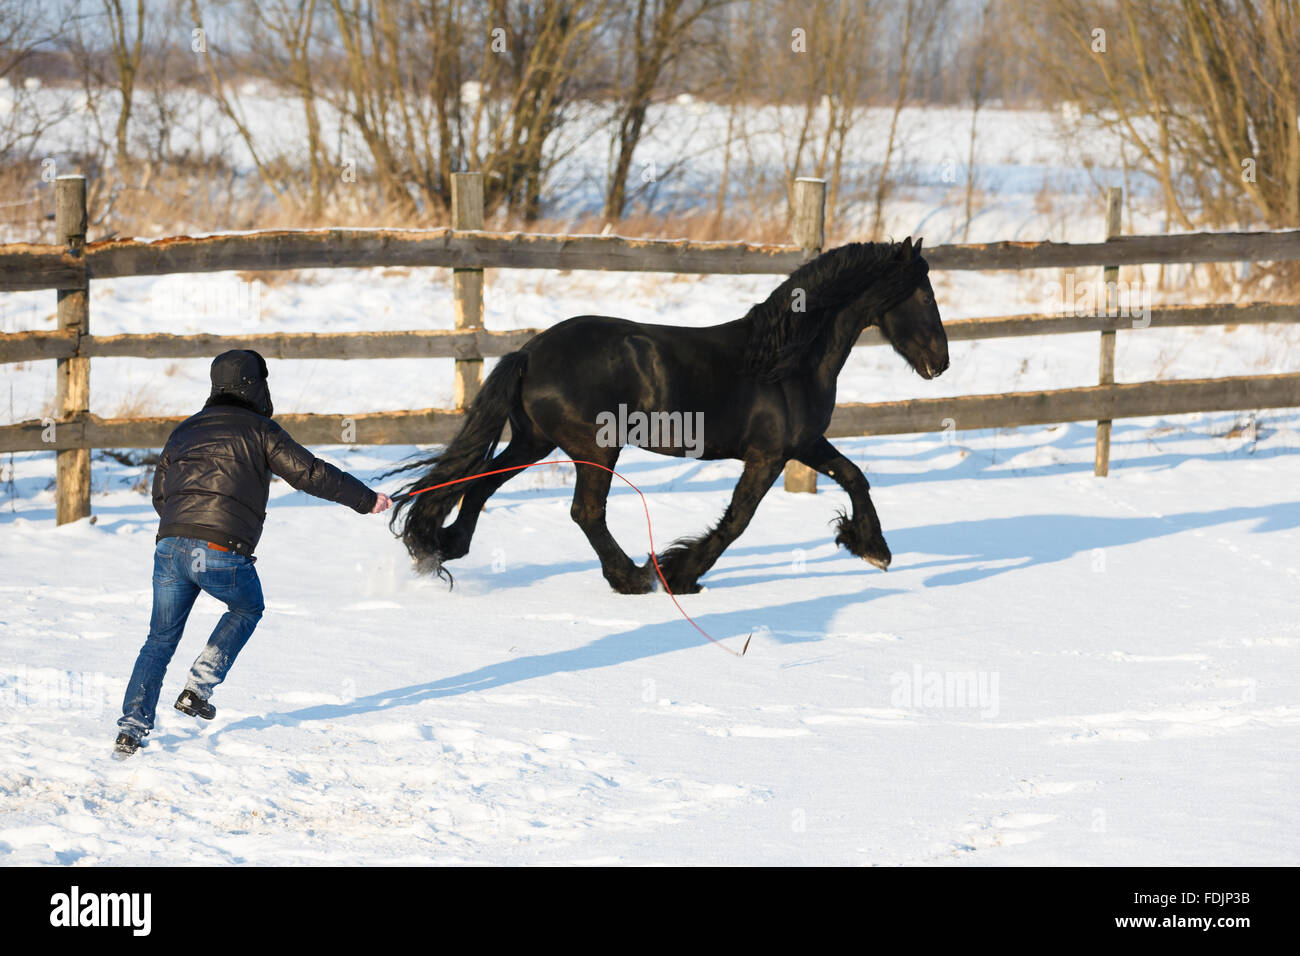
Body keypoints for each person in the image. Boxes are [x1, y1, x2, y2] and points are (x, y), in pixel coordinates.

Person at [114, 349, 391, 759]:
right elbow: (309, 473)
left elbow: (161, 494)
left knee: (158, 640)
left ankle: (131, 730)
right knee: (247, 608)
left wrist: (183, 531)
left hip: (170, 545)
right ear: (255, 385)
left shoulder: (184, 431)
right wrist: (366, 500)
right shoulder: (261, 429)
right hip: (221, 549)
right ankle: (198, 687)